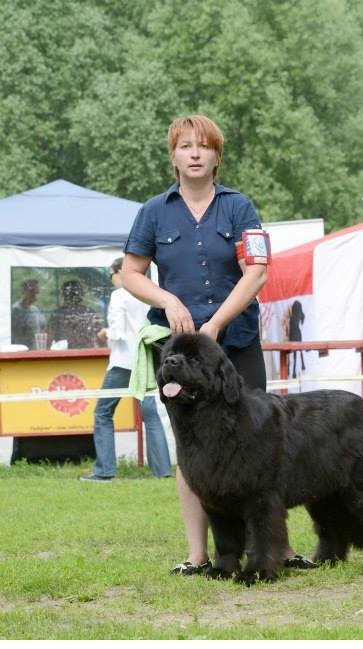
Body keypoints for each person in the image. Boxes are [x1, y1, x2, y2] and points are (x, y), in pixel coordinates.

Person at [121, 114, 315, 574]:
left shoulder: (239, 207)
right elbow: (129, 273)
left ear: (216, 156)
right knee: (192, 453)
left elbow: (258, 271)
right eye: (185, 146)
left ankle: (279, 551)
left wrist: (216, 324)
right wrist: (166, 299)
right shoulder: (153, 211)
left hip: (237, 344)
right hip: (179, 358)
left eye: (203, 146)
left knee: (265, 446)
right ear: (173, 155)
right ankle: (197, 556)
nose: (194, 153)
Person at [80, 258, 171, 482]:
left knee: (102, 412)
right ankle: (162, 471)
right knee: (150, 416)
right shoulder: (152, 293)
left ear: (119, 272)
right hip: (145, 360)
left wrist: (105, 333)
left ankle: (104, 470)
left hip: (123, 361)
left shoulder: (119, 295)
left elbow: (118, 332)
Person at [48, 279, 104, 349]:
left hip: (63, 356)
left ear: (63, 295)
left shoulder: (57, 315)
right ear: (81, 295)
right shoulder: (90, 313)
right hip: (88, 355)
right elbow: (101, 339)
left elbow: (48, 340)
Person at [11, 278, 47, 349]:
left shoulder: (36, 310)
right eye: (31, 291)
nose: (35, 294)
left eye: (37, 291)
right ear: (23, 291)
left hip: (37, 353)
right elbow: (17, 336)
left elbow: (43, 329)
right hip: (23, 354)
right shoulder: (15, 310)